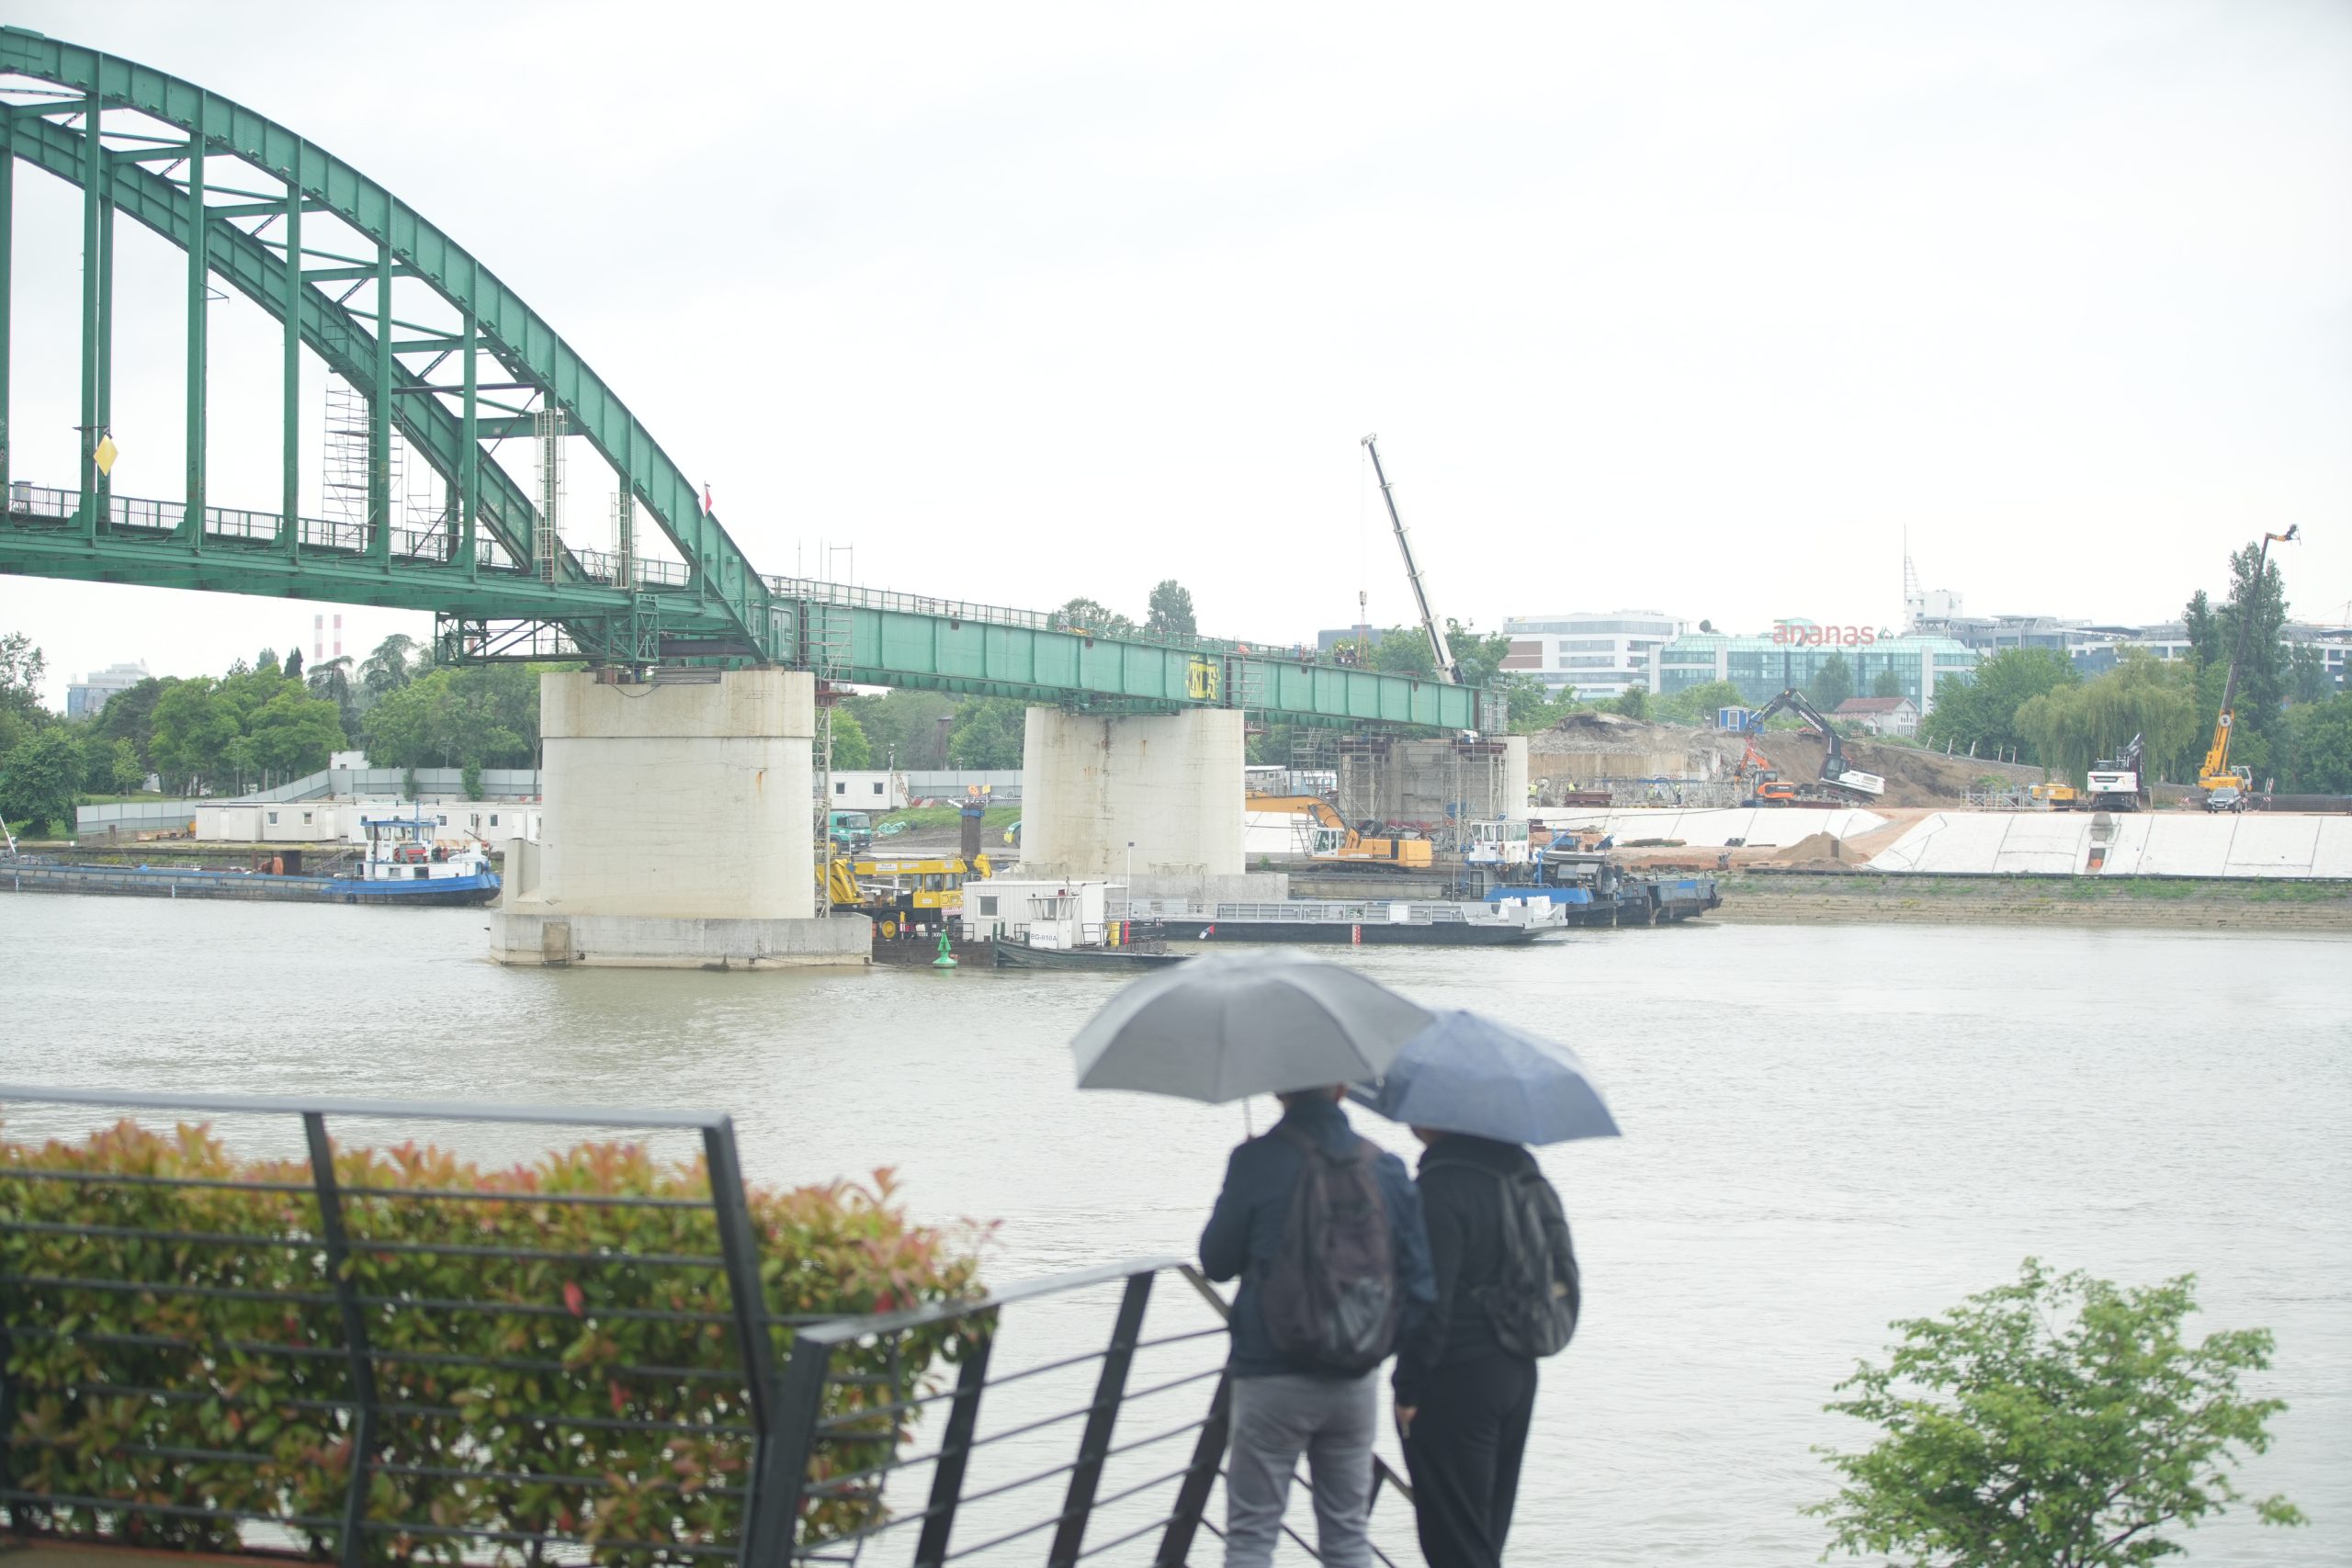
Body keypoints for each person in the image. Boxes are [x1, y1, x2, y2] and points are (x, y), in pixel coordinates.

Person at [1200, 1086, 1435, 1568]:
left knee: (1251, 1537)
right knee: (1347, 1536)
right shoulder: (1385, 1166)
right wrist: (1373, 1348)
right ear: (1343, 1088)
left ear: (1278, 1088)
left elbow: (1216, 1262)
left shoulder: (1257, 1159)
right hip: (1353, 1383)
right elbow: (1421, 1288)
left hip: (1270, 1376)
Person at [1392, 1127, 1573, 1568]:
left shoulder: (1440, 1185)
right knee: (1484, 1535)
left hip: (1456, 1377)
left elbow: (1431, 1301)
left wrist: (1409, 1388)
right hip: (1517, 1370)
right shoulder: (1519, 1173)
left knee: (1453, 1543)